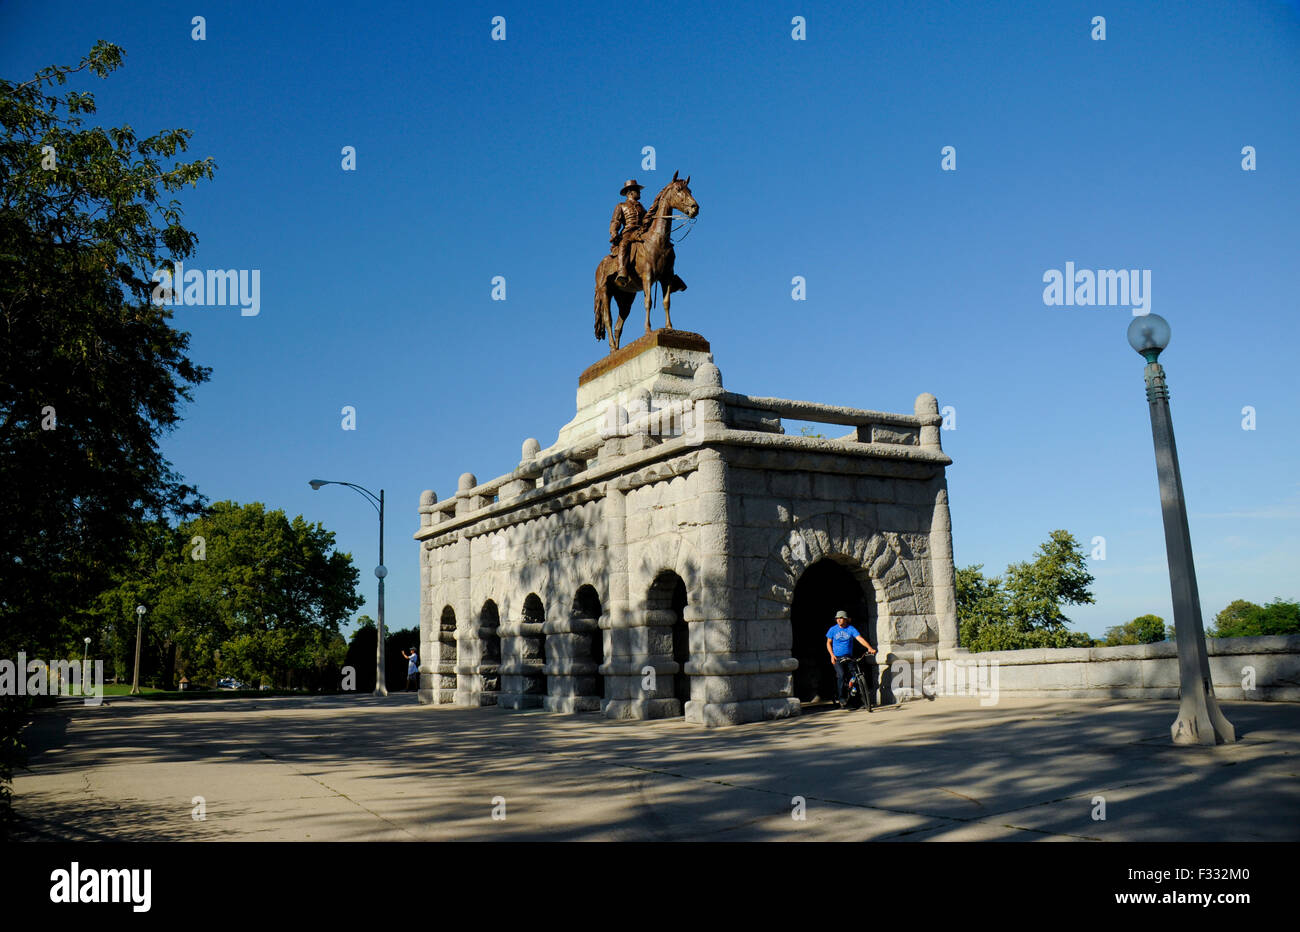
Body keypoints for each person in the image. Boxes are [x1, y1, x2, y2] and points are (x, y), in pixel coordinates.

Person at [825, 610, 876, 709]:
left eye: (841, 618)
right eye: (837, 618)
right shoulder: (833, 630)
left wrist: (869, 648)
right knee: (841, 675)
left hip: (849, 656)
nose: (839, 620)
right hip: (837, 657)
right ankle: (841, 698)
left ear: (846, 619)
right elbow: (828, 643)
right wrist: (832, 655)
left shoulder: (851, 629)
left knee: (855, 676)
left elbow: (860, 638)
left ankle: (858, 699)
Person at [609, 179, 646, 288]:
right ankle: (622, 271)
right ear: (630, 192)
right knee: (623, 245)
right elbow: (615, 221)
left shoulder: (641, 207)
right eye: (637, 190)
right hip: (628, 232)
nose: (639, 192)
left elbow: (647, 219)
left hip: (641, 232)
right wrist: (614, 232)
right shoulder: (621, 206)